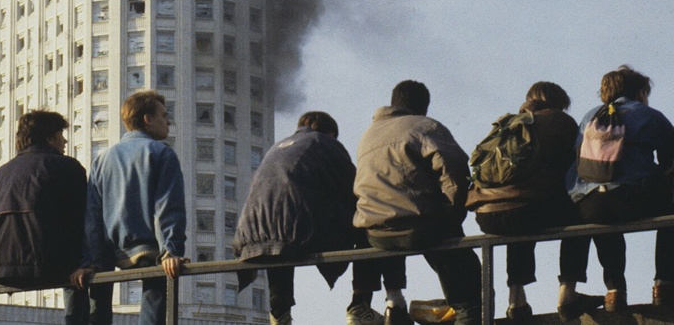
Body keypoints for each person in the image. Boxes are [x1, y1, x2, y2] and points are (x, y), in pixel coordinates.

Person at [466, 82, 603, 321]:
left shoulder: (506, 124)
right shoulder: (560, 121)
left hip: (486, 214)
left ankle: (516, 301)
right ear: (558, 103)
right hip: (523, 210)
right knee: (579, 214)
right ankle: (568, 295)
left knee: (518, 218)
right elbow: (575, 165)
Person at [233, 111, 386, 325]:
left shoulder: (278, 147)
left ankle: (279, 314)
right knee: (369, 221)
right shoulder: (324, 142)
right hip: (293, 227)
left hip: (250, 234)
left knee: (277, 239)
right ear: (330, 132)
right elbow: (357, 190)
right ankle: (360, 305)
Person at [353, 80, 482, 325]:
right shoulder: (425, 126)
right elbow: (454, 174)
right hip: (420, 226)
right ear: (424, 107)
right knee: (468, 277)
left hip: (376, 232)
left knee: (397, 226)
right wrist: (451, 216)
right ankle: (466, 313)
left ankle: (395, 305)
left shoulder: (368, 135)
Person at [560, 65, 674, 313]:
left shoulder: (589, 118)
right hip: (634, 198)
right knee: (671, 212)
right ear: (640, 91)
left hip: (589, 205)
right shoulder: (648, 114)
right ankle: (664, 285)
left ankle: (614, 291)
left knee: (604, 212)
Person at [72, 91, 186, 325]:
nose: (169, 121)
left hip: (110, 250)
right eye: (164, 115)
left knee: (99, 303)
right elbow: (167, 207)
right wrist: (171, 250)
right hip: (149, 249)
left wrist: (91, 261)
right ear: (148, 119)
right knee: (155, 297)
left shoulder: (102, 159)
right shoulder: (162, 154)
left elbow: (92, 216)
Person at [0, 110, 93, 324]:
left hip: (0, 266)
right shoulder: (67, 167)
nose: (65, 140)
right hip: (46, 263)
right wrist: (89, 261)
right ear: (49, 137)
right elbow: (83, 220)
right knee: (87, 265)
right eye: (61, 134)